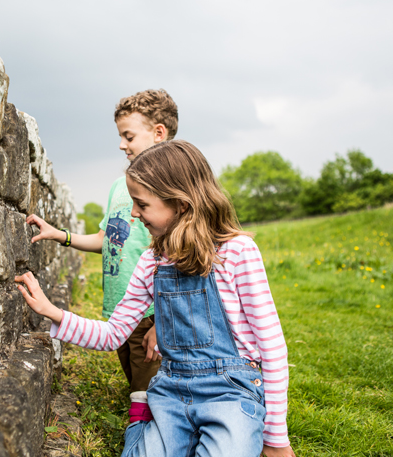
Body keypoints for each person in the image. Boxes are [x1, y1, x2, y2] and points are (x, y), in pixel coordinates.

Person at [17, 140, 295, 456]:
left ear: (181, 205)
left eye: (142, 204)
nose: (134, 213)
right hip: (171, 391)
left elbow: (272, 347)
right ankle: (142, 421)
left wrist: (276, 439)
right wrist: (53, 312)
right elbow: (112, 335)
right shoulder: (152, 262)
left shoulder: (237, 254)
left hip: (231, 394)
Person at [25, 89, 178, 423]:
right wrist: (60, 235)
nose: (122, 144)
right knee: (135, 378)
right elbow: (105, 239)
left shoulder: (170, 190)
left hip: (151, 311)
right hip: (121, 310)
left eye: (128, 136)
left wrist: (166, 320)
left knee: (147, 390)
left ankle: (149, 428)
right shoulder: (118, 187)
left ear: (158, 133)